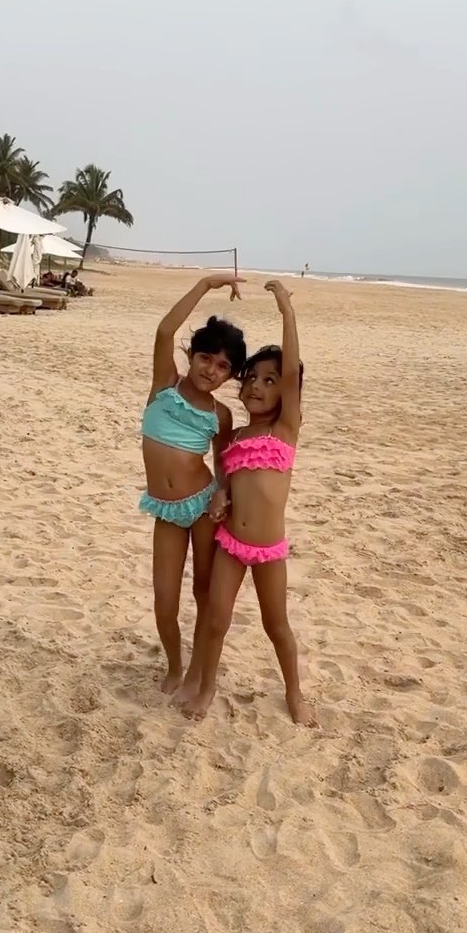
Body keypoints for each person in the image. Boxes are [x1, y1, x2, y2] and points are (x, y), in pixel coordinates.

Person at [180, 280, 316, 726]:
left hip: (269, 549)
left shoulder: (285, 430)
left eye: (269, 381)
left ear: (285, 392)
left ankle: (294, 692)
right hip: (231, 544)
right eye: (252, 378)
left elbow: (292, 371)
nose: (257, 386)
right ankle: (207, 687)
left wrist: (286, 311)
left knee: (277, 626)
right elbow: (226, 478)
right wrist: (222, 494)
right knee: (215, 620)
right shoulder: (235, 436)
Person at [140, 274, 246, 694]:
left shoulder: (221, 415)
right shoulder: (165, 384)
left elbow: (223, 463)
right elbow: (164, 330)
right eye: (206, 358)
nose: (211, 370)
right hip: (167, 510)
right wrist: (205, 285)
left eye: (223, 367)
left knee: (204, 592)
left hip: (202, 507)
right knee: (164, 600)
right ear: (191, 355)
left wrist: (222, 491)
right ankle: (174, 666)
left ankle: (199, 671)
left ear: (229, 375)